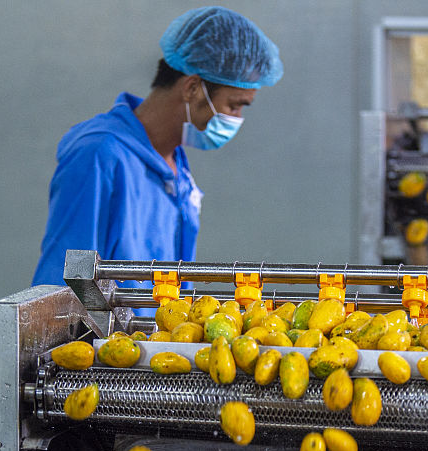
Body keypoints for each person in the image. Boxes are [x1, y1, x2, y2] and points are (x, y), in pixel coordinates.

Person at [32, 6, 283, 291]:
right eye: (234, 105)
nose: (236, 119)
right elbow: (61, 285)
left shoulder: (173, 162)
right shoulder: (99, 155)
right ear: (192, 87)